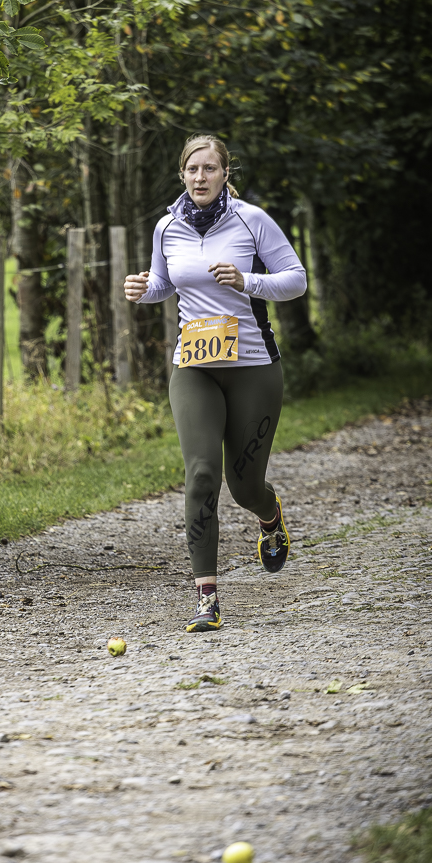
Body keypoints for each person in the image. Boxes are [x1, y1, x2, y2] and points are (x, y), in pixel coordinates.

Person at [124, 134, 307, 632]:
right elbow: (165, 283)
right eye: (192, 169)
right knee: (202, 475)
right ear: (182, 175)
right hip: (195, 367)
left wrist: (249, 281)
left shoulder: (252, 220)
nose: (200, 177)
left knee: (244, 487)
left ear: (226, 173)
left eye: (210, 168)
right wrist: (143, 289)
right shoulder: (168, 226)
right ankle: (207, 598)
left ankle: (269, 516)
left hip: (253, 368)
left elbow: (296, 279)